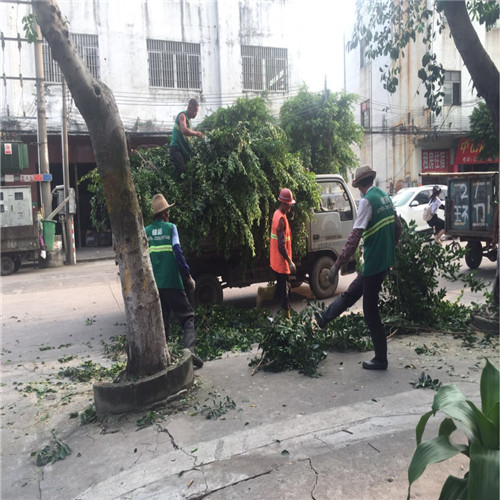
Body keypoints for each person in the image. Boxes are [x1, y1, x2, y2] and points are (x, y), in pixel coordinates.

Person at [315, 165, 402, 370]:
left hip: (375, 262)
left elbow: (354, 237)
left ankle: (381, 359)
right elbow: (398, 227)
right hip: (384, 260)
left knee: (370, 312)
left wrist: (337, 265)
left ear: (358, 185)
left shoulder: (366, 202)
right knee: (352, 292)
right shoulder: (385, 197)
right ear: (370, 180)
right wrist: (389, 247)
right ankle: (324, 318)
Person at [145, 194, 203, 368]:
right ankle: (189, 352)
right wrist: (187, 276)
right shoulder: (171, 228)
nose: (168, 214)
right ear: (164, 214)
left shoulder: (146, 232)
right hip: (172, 282)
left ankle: (163, 359)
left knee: (163, 321)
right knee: (188, 317)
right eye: (167, 212)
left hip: (155, 286)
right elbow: (177, 252)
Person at [269, 188, 297, 319]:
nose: (291, 205)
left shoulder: (277, 214)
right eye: (290, 203)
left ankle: (263, 293)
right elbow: (281, 246)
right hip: (281, 262)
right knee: (285, 293)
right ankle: (287, 319)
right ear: (285, 204)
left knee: (283, 288)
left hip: (276, 260)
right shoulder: (280, 219)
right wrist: (290, 262)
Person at [169, 98, 203, 179]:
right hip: (176, 148)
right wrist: (195, 133)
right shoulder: (182, 116)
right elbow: (184, 130)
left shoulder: (189, 121)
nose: (195, 114)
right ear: (189, 107)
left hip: (182, 149)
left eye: (197, 112)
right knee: (181, 169)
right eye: (194, 111)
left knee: (189, 170)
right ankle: (175, 188)